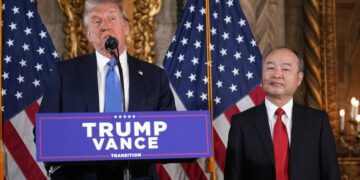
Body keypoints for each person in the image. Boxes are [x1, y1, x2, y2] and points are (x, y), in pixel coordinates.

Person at [38, 0, 175, 179]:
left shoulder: (154, 77)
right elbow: (44, 130)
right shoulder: (64, 74)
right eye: (96, 21)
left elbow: (171, 131)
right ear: (88, 34)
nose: (105, 26)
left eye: (112, 18)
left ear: (126, 28)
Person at [224, 47, 340, 180]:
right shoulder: (241, 122)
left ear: (299, 79)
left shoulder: (318, 121)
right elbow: (233, 175)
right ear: (261, 76)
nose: (277, 74)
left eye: (285, 69)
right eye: (270, 68)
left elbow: (331, 173)